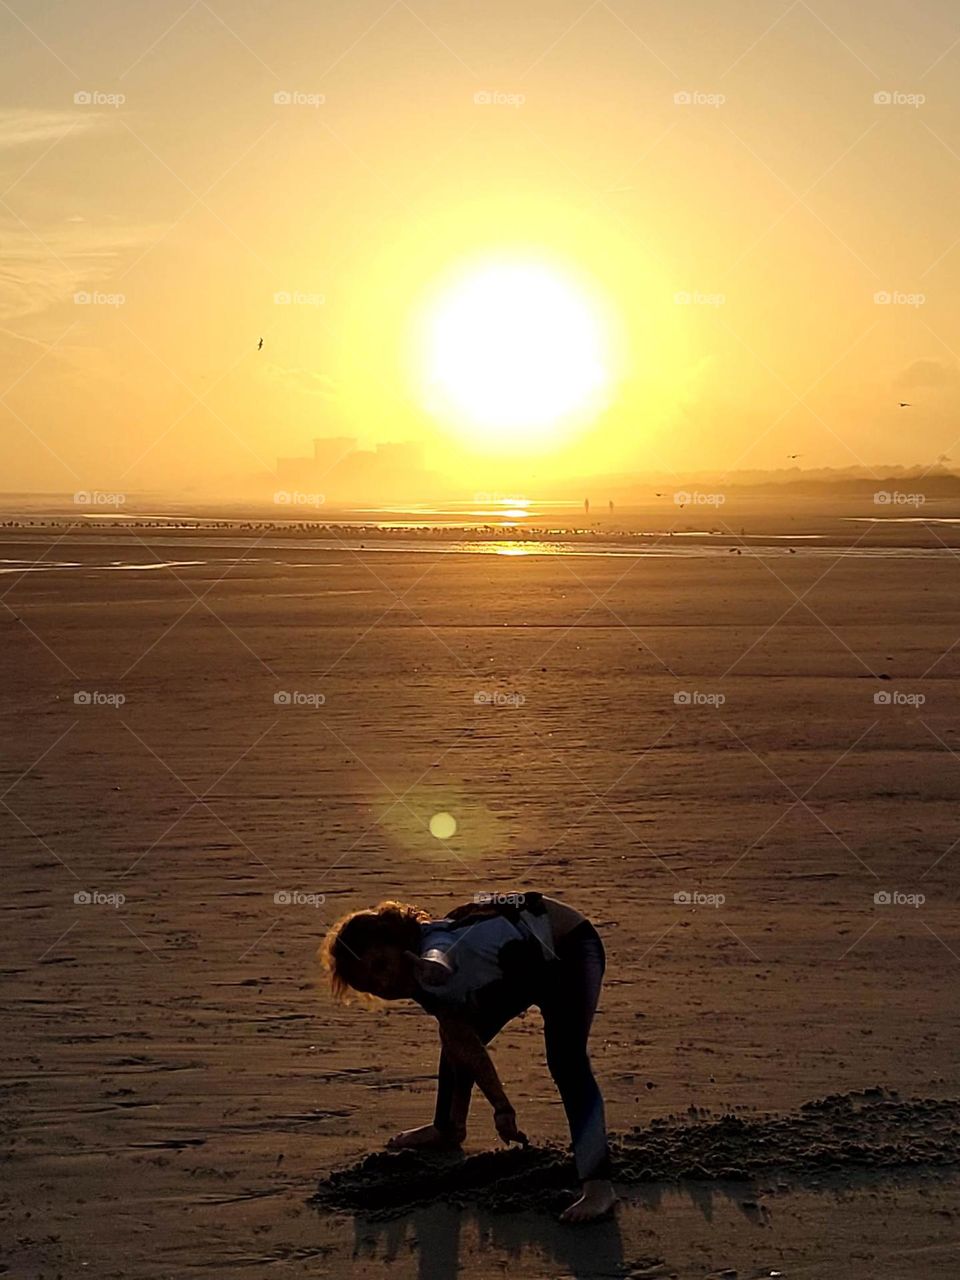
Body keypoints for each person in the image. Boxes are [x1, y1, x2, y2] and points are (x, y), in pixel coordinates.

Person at [320, 891, 615, 1222]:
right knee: (454, 1032)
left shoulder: (434, 946)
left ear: (398, 943)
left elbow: (440, 954)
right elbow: (463, 1041)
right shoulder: (415, 980)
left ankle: (598, 1185)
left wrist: (434, 966)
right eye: (370, 985)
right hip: (520, 969)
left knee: (566, 1060)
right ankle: (448, 1127)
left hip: (569, 948)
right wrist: (501, 1106)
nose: (384, 983)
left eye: (380, 965)